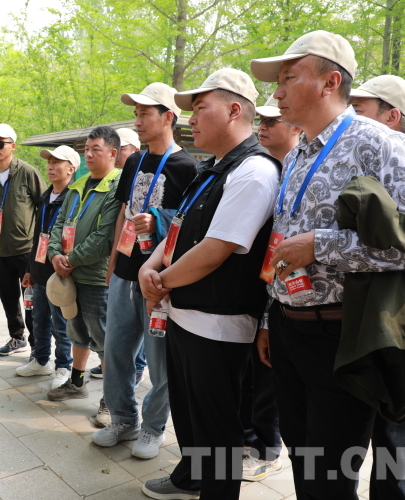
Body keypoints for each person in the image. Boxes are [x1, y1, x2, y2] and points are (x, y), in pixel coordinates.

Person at [251, 30, 405, 499]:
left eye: (289, 78)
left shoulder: (379, 143)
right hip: (288, 329)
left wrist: (323, 246)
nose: (277, 93)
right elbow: (283, 243)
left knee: (330, 474)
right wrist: (271, 317)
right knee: (303, 458)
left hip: (342, 334)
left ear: (330, 82)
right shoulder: (297, 154)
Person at [139, 68, 281, 500]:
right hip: (184, 312)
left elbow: (217, 248)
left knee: (217, 429)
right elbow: (180, 229)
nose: (192, 119)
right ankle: (190, 476)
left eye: (201, 108)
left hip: (218, 324)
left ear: (235, 110)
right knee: (189, 415)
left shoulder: (254, 171)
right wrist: (151, 265)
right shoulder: (212, 169)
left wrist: (160, 281)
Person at [92, 83, 198, 459]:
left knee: (160, 361)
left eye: (144, 114)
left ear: (168, 117)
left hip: (158, 281)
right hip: (125, 273)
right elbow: (124, 212)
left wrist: (159, 221)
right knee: (116, 351)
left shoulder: (187, 167)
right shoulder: (134, 161)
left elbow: (190, 226)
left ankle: (153, 428)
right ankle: (123, 419)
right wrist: (112, 264)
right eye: (135, 114)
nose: (137, 121)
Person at [347, 74, 405, 500]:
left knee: (395, 447)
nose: (347, 118)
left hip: (398, 335)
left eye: (358, 109)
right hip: (366, 330)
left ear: (391, 117)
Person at [240, 97, 301, 481]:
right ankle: (251, 440)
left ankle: (268, 448)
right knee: (251, 372)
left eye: (272, 121)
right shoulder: (265, 169)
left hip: (290, 293)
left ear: (296, 125)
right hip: (257, 288)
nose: (262, 126)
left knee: (268, 375)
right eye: (260, 120)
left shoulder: (299, 170)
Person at [45, 126, 122, 410]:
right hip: (70, 275)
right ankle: (77, 383)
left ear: (113, 153)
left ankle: (110, 400)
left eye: (95, 150)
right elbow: (58, 224)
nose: (88, 155)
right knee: (76, 332)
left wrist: (72, 260)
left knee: (103, 340)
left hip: (96, 278)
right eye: (86, 150)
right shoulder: (78, 186)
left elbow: (105, 236)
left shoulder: (117, 186)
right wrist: (55, 254)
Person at [0, 124, 45, 356]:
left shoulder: (27, 172)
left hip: (26, 248)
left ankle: (38, 345)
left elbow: (43, 206)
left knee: (31, 299)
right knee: (8, 297)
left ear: (13, 146)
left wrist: (40, 244)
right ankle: (17, 337)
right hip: (0, 248)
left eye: (1, 144)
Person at [16, 146, 77, 390]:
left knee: (61, 324)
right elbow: (37, 236)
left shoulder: (75, 198)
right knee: (39, 318)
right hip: (40, 268)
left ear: (71, 169)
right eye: (49, 162)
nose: (50, 167)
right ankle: (41, 360)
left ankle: (64, 366)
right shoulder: (45, 196)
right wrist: (30, 268)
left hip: (60, 270)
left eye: (57, 162)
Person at [91, 126, 145, 381]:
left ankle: (137, 367)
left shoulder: (138, 173)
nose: (117, 153)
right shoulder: (119, 179)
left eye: (121, 149)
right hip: (122, 260)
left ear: (135, 150)